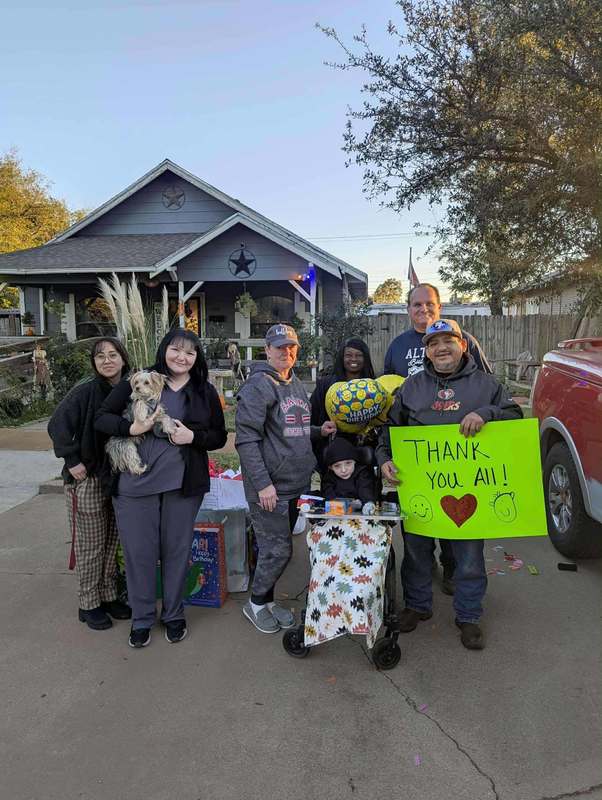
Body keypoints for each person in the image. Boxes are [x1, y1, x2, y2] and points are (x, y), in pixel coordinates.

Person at [377, 319, 523, 650]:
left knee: (469, 557)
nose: (442, 347)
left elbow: (515, 417)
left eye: (449, 340)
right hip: (421, 489)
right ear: (426, 351)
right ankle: (417, 606)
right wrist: (384, 459)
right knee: (416, 553)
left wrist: (488, 413)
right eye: (433, 343)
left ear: (463, 345)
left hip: (471, 491)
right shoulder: (411, 388)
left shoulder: (488, 386)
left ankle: (469, 616)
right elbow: (389, 430)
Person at [95, 329, 227, 649]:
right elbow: (101, 419)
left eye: (190, 352)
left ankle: (173, 614)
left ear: (197, 358)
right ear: (164, 349)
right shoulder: (137, 380)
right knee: (139, 554)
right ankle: (141, 618)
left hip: (182, 485)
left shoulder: (203, 390)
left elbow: (219, 436)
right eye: (175, 349)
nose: (182, 357)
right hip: (134, 485)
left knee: (177, 551)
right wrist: (132, 427)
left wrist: (192, 438)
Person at [384, 284, 491, 594]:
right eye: (416, 305)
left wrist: (485, 412)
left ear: (439, 306)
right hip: (417, 452)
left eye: (429, 303)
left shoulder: (465, 339)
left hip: (462, 452)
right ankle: (421, 583)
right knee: (419, 527)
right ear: (408, 309)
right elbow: (388, 393)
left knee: (458, 522)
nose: (423, 310)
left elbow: (485, 384)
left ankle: (452, 572)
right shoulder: (397, 345)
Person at [235, 323, 334, 634]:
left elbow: (293, 426)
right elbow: (246, 439)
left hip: (296, 484)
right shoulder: (259, 385)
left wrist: (320, 431)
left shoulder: (293, 383)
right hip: (270, 488)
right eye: (279, 347)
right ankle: (254, 604)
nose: (285, 352)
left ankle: (266, 600)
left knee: (276, 549)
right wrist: (263, 484)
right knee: (278, 550)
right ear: (267, 350)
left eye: (291, 347)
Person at [48, 337, 132, 631]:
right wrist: (72, 460)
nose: (107, 361)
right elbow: (57, 424)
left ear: (123, 358)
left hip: (117, 477)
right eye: (100, 357)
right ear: (94, 363)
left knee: (112, 540)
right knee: (91, 544)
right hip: (88, 478)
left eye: (113, 355)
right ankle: (88, 602)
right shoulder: (86, 391)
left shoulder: (129, 389)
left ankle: (108, 595)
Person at [310, 337, 376, 469]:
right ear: (341, 357)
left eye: (359, 355)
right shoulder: (326, 384)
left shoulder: (374, 386)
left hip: (364, 451)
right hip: (333, 452)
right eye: (348, 355)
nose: (353, 359)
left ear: (366, 358)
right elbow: (312, 417)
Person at [321, 437, 376, 512]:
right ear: (331, 467)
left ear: (355, 461)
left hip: (361, 513)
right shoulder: (328, 478)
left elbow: (365, 489)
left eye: (348, 463)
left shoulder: (362, 474)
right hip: (336, 513)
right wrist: (333, 504)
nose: (343, 470)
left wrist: (368, 502)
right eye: (337, 466)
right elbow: (328, 495)